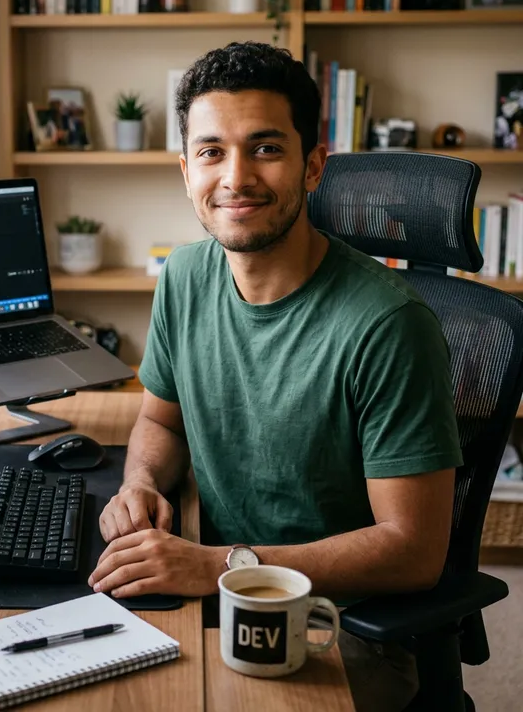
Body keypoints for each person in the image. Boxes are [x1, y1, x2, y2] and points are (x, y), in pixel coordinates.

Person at [87, 41, 463, 712]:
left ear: (312, 165)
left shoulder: (388, 325)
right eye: (211, 152)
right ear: (185, 170)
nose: (235, 177)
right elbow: (160, 418)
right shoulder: (182, 276)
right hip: (216, 582)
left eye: (265, 148)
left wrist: (222, 566)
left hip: (337, 627)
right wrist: (140, 481)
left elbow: (414, 551)